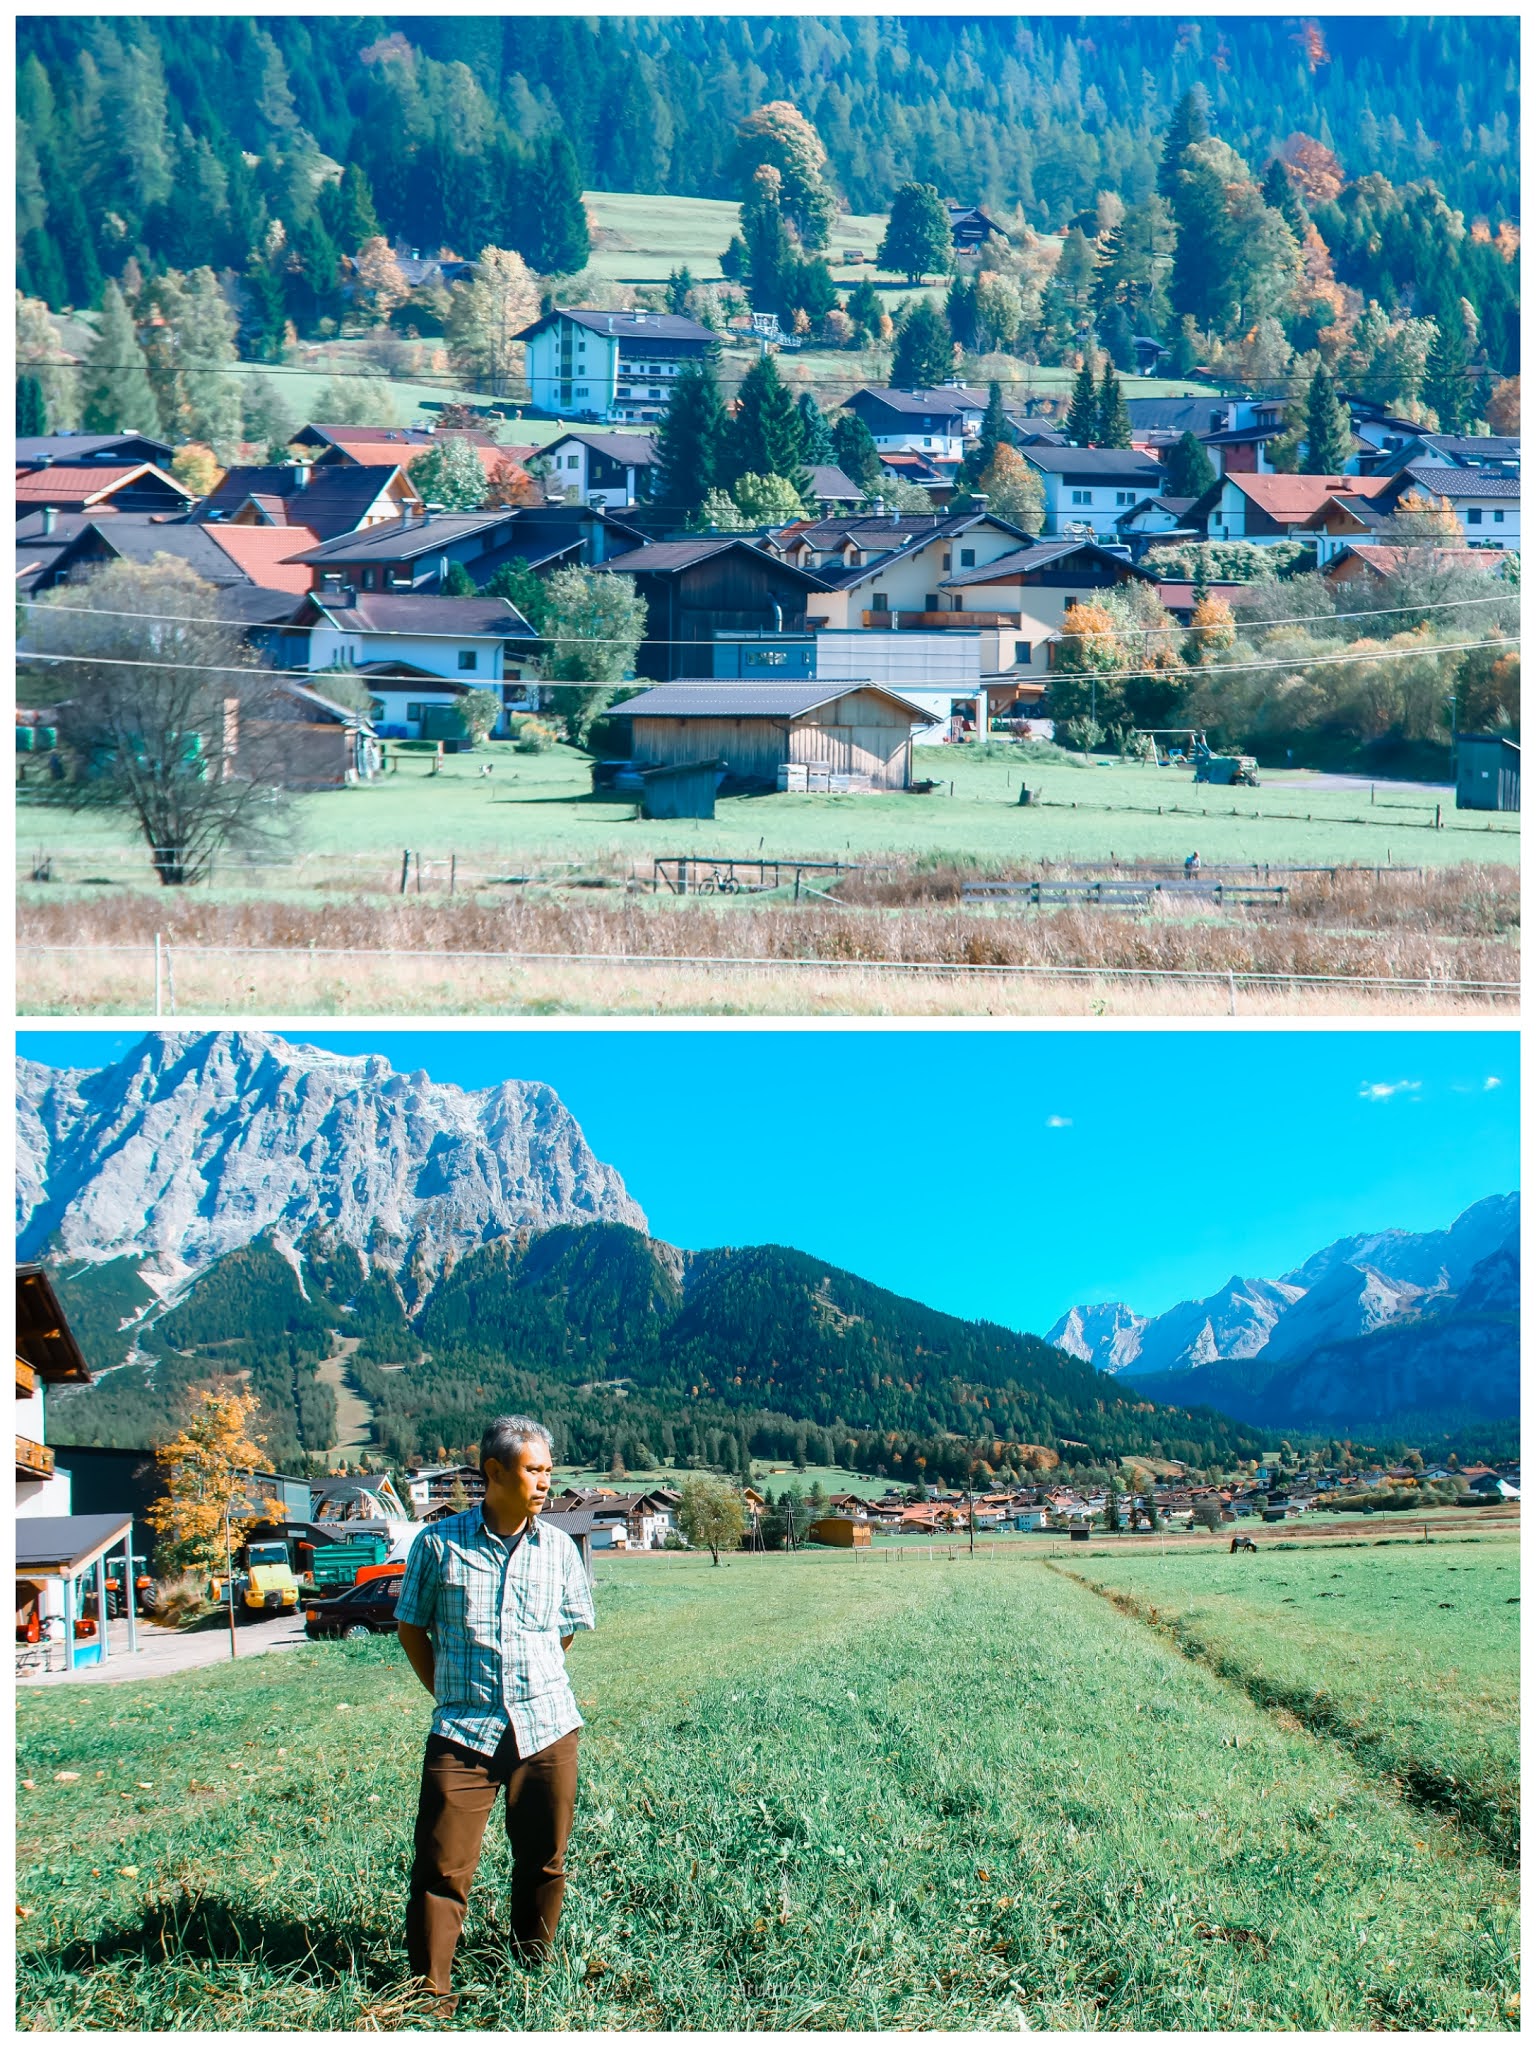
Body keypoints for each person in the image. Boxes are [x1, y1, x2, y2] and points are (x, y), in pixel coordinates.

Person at [396, 1415, 595, 2000]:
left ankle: (532, 1973)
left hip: (549, 1728)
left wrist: (529, 1683)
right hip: (463, 1733)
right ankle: (429, 1994)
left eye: (548, 1472)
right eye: (534, 1470)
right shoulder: (438, 1544)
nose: (545, 1483)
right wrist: (454, 1694)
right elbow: (411, 1630)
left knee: (545, 1860)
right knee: (441, 1868)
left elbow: (564, 1633)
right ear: (494, 1472)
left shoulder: (559, 1548)